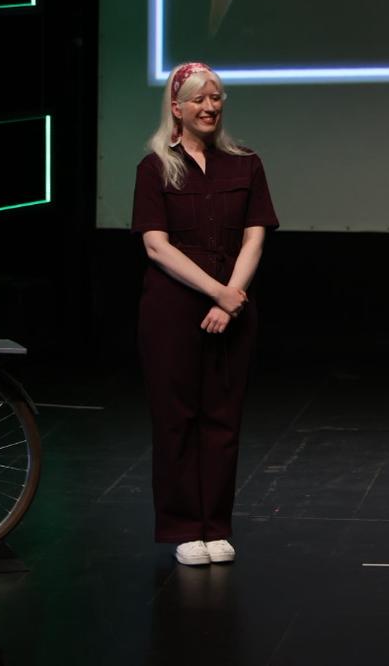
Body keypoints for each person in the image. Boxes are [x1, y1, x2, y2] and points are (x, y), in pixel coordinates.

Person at [131, 62, 277, 566]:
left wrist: (232, 297)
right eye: (198, 99)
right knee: (176, 420)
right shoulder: (155, 168)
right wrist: (217, 292)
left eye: (216, 97)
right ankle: (183, 529)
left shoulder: (245, 164)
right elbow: (156, 246)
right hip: (173, 309)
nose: (210, 106)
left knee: (223, 419)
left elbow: (255, 237)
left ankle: (215, 526)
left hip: (232, 307)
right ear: (177, 108)